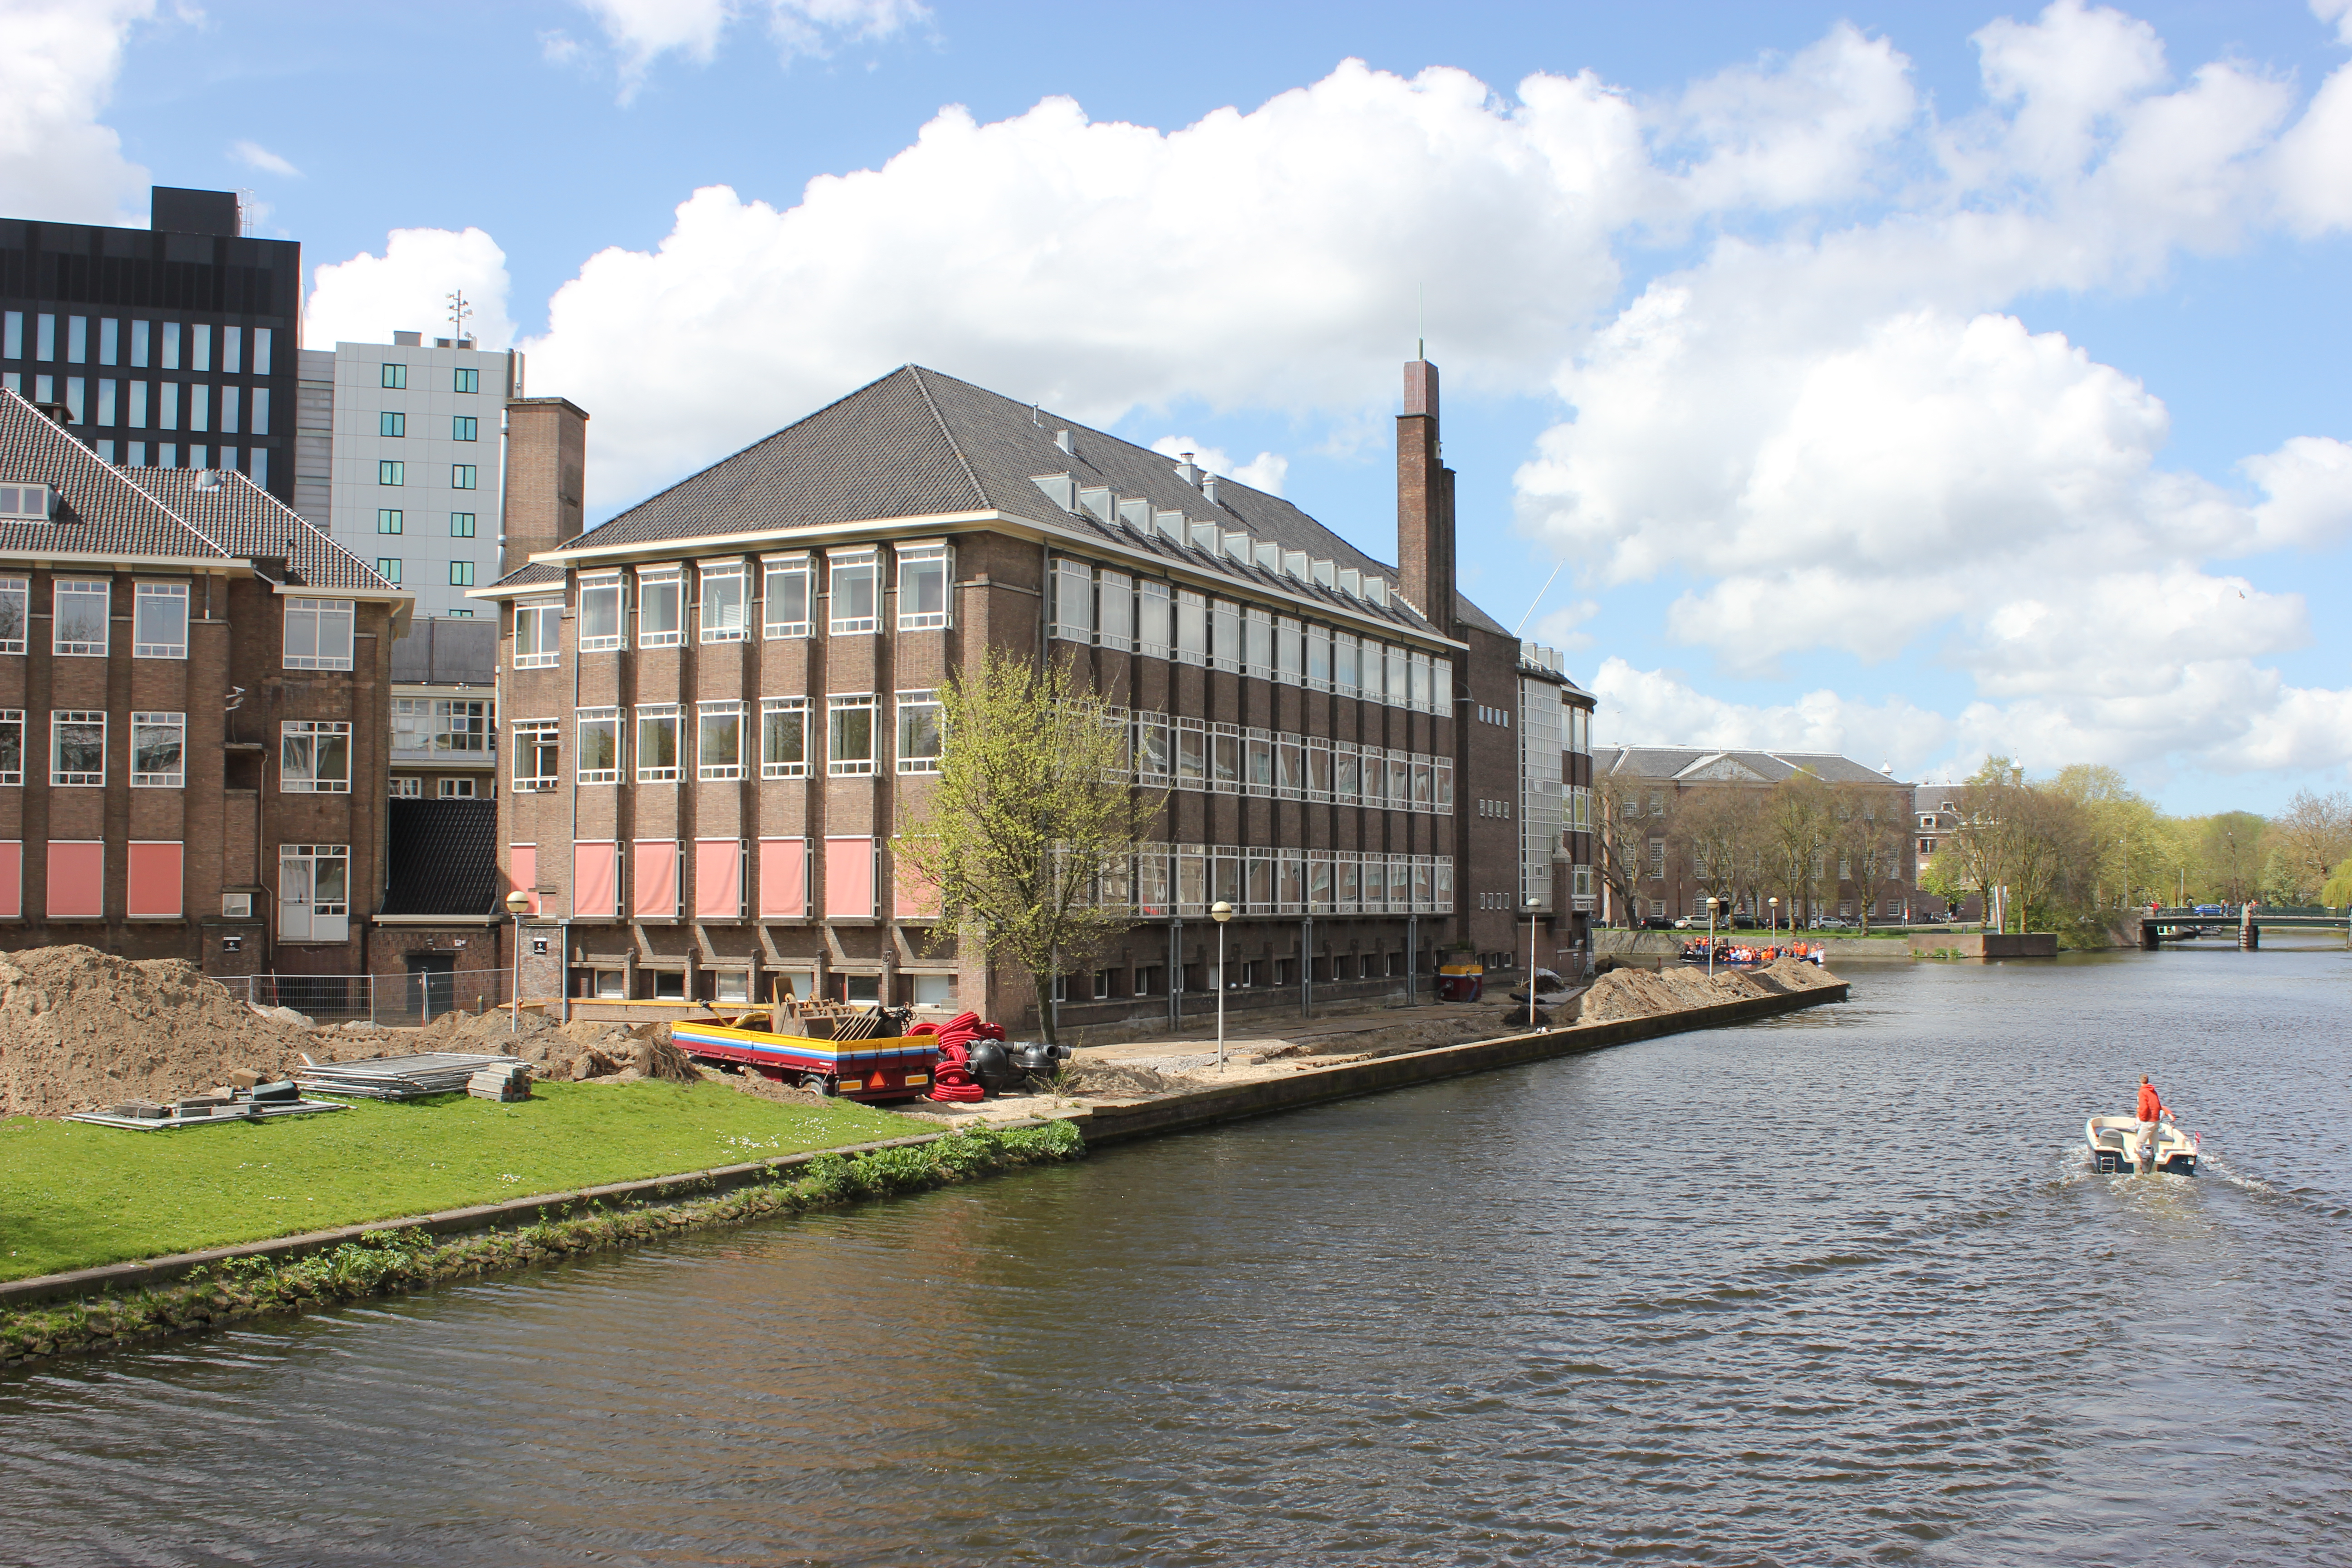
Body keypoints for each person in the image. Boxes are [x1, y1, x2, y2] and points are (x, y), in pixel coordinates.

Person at [2135, 1074, 2166, 1167]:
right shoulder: (2154, 1091)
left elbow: (2143, 1108)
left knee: (2139, 1143)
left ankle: (2141, 1163)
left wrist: (2142, 1119)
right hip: (2156, 1121)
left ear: (2140, 1081)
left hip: (2148, 1121)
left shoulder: (2142, 1092)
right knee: (2155, 1145)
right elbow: (2158, 1105)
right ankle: (2155, 1163)